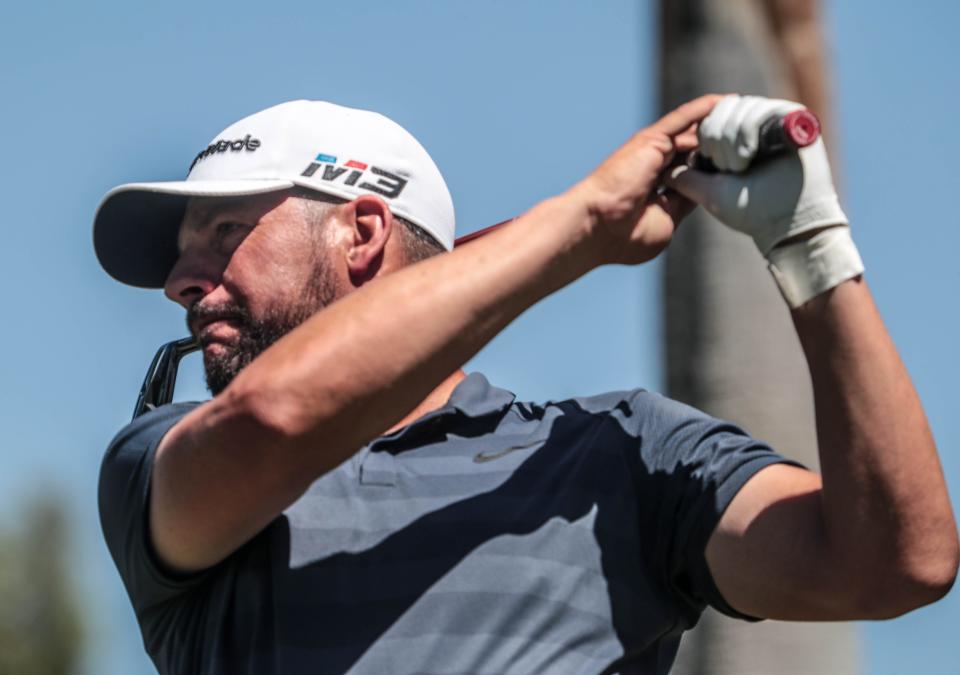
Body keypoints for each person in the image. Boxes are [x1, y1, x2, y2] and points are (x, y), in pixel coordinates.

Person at [94, 95, 958, 675]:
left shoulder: (625, 452)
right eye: (183, 253)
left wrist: (809, 240)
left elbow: (896, 563)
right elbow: (276, 417)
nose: (182, 278)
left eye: (224, 230)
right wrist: (584, 223)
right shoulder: (163, 464)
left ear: (361, 234)